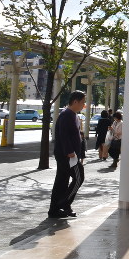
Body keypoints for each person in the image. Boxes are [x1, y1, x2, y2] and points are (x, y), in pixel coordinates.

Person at [48, 90, 87, 219]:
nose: (84, 105)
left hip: (67, 155)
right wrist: (70, 151)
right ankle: (64, 203)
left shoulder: (71, 114)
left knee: (61, 181)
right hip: (68, 156)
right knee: (79, 178)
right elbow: (63, 135)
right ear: (75, 101)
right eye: (82, 102)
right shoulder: (67, 115)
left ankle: (55, 209)